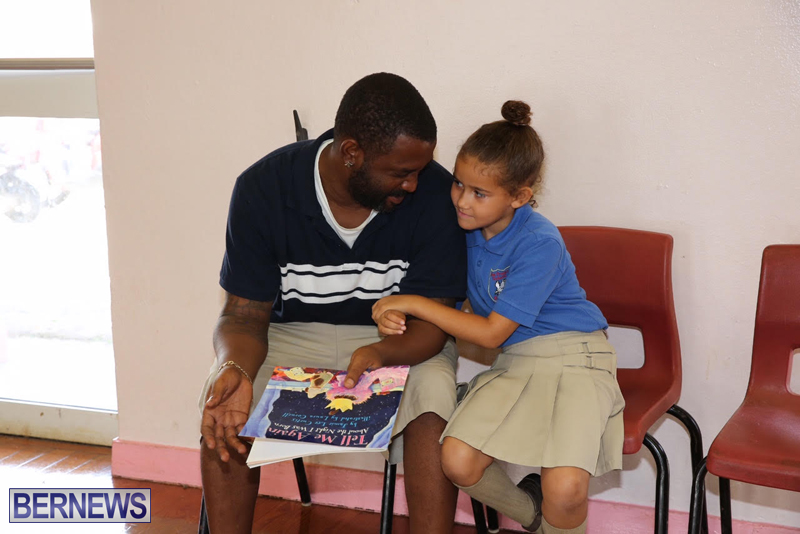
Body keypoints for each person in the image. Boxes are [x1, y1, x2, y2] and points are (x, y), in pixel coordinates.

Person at [199, 73, 467, 534]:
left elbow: (433, 326)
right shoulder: (264, 188)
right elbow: (242, 317)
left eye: (418, 171)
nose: (412, 184)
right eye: (400, 172)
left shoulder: (435, 197)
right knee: (226, 402)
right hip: (289, 336)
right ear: (351, 153)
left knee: (435, 397)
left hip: (401, 341)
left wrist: (381, 351)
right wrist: (234, 368)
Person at [372, 101, 625, 534]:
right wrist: (396, 318)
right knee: (457, 459)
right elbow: (461, 309)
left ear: (519, 197)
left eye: (479, 193)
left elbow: (490, 333)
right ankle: (535, 516)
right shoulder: (462, 231)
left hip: (576, 358)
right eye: (458, 184)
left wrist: (411, 303)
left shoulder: (540, 241)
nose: (462, 201)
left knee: (566, 490)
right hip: (515, 362)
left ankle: (554, 516)